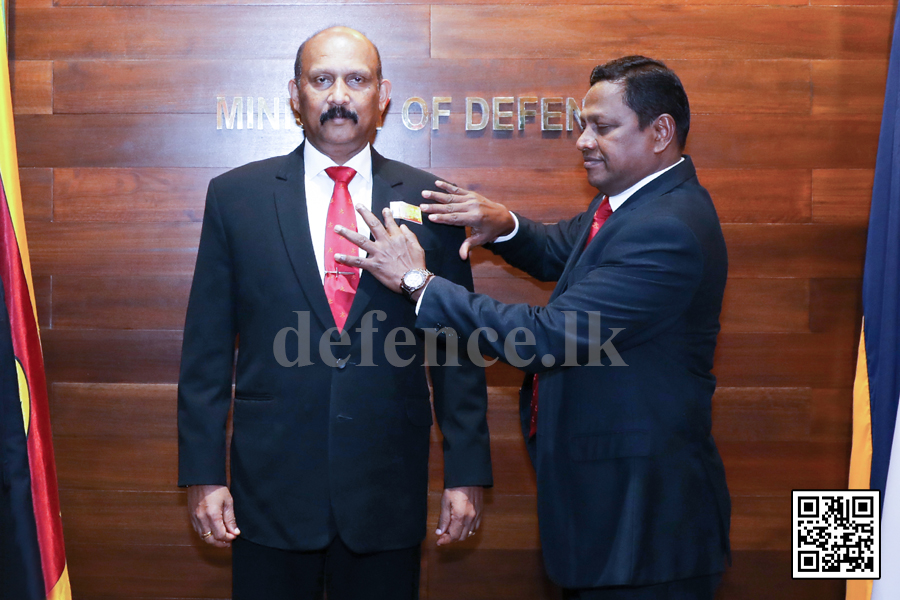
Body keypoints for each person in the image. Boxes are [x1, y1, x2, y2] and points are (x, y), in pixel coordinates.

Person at [335, 56, 731, 599]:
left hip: (644, 526)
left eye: (603, 126)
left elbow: (546, 337)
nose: (583, 142)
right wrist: (505, 226)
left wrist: (417, 282)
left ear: (660, 131)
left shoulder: (666, 228)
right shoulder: (629, 208)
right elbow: (559, 251)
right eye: (581, 125)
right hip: (610, 511)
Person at [177, 26, 492, 600]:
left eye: (357, 80)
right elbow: (206, 350)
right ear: (295, 96)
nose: (339, 95)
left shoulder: (432, 202)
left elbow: (455, 352)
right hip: (268, 488)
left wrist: (466, 472)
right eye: (321, 80)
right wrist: (202, 474)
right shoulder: (236, 197)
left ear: (383, 94)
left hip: (386, 485)